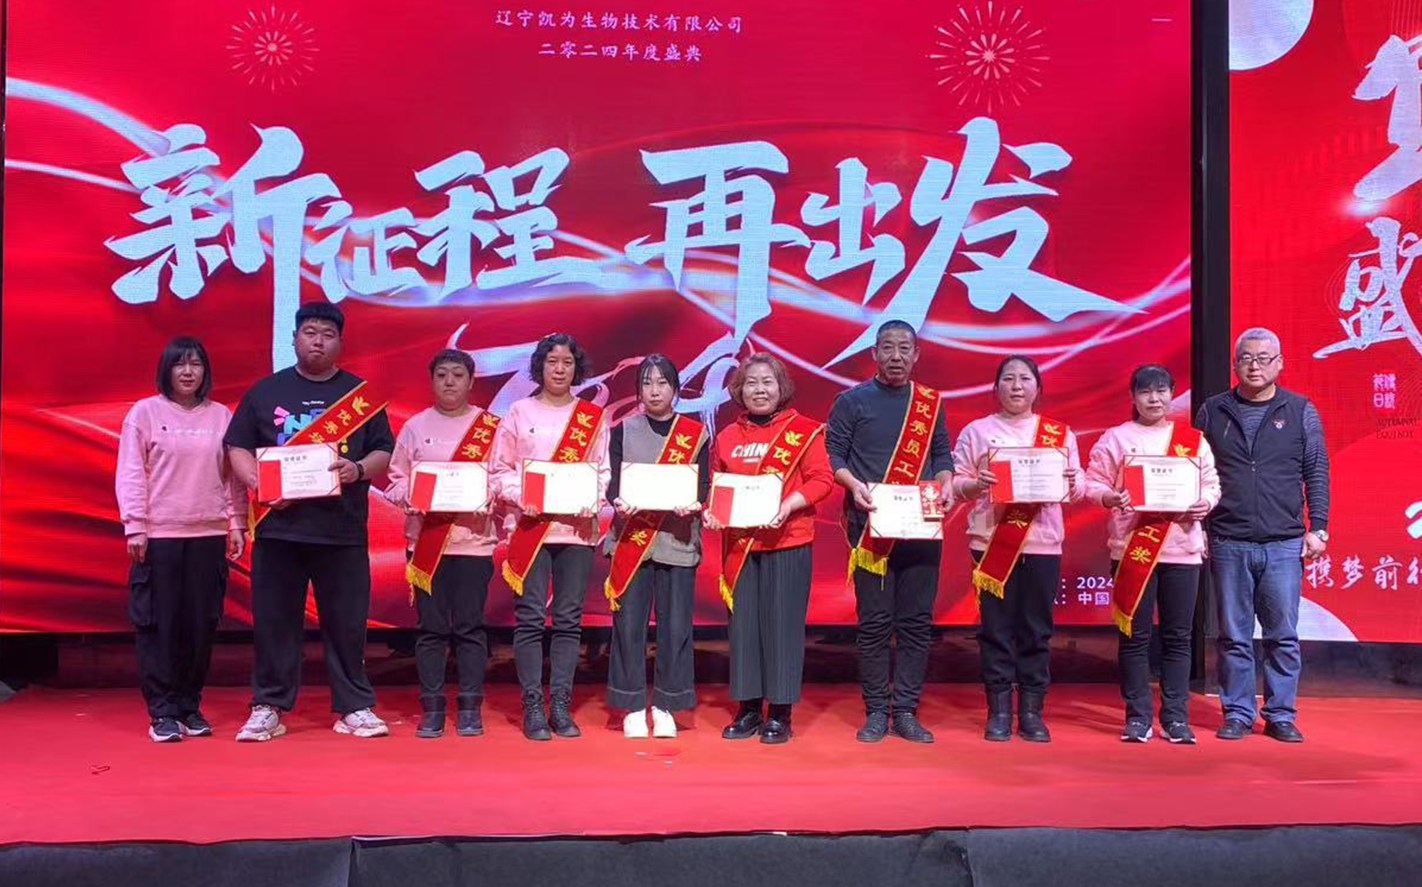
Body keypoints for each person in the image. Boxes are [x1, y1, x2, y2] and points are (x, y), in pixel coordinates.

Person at [224, 302, 395, 741]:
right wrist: (258, 482)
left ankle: (353, 706)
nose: (318, 341)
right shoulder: (266, 392)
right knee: (275, 622)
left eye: (327, 334)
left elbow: (383, 451)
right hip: (280, 529)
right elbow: (237, 446)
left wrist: (357, 469)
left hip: (342, 530)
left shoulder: (359, 396)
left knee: (347, 623)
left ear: (340, 342)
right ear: (295, 338)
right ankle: (268, 705)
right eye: (310, 332)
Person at [1195, 327, 1330, 743]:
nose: (1254, 366)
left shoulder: (1301, 410)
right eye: (1246, 359)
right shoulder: (1212, 411)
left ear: (1280, 363)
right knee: (1233, 636)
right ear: (1235, 365)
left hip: (1284, 542)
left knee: (1282, 636)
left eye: (1263, 358)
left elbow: (1316, 471)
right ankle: (1237, 712)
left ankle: (1280, 715)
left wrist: (1319, 526)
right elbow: (1196, 473)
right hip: (1228, 539)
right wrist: (1198, 528)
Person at [826, 320, 953, 744]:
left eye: (904, 348)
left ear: (916, 355)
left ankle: (907, 712)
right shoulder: (851, 401)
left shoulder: (930, 403)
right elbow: (834, 455)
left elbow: (941, 454)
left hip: (920, 525)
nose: (896, 356)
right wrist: (853, 486)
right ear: (874, 354)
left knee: (916, 622)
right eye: (887, 348)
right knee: (875, 623)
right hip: (871, 527)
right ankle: (877, 711)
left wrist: (946, 482)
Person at [115, 337, 246, 742]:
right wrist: (136, 525)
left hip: (209, 534)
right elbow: (132, 471)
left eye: (196, 364)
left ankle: (190, 706)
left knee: (200, 625)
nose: (188, 372)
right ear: (166, 370)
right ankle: (162, 712)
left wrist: (236, 522)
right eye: (180, 364)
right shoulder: (145, 413)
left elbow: (232, 476)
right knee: (159, 625)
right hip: (160, 536)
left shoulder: (221, 416)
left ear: (206, 371)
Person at [1085, 364, 1220, 744]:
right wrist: (1109, 497)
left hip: (1182, 550)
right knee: (1135, 636)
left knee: (1178, 637)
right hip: (1132, 549)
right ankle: (1138, 717)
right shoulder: (1116, 439)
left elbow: (1211, 484)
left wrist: (1205, 502)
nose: (1154, 398)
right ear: (1133, 396)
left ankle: (1176, 718)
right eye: (1145, 391)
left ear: (1172, 393)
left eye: (1161, 390)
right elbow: (1092, 482)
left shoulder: (1191, 441)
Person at [705, 353, 834, 744]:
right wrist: (712, 513)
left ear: (781, 388)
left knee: (781, 627)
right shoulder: (727, 436)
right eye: (751, 383)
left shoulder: (804, 431)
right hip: (741, 546)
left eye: (767, 382)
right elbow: (717, 486)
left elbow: (822, 479)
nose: (759, 390)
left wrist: (790, 503)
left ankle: (779, 713)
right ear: (739, 390)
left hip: (788, 540)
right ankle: (747, 709)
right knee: (744, 628)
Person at [952, 355, 1083, 742]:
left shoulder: (1059, 434)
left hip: (1043, 543)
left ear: (1037, 388)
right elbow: (956, 483)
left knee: (1036, 630)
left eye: (1024, 379)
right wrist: (977, 484)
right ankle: (998, 712)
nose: (1016, 386)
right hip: (991, 542)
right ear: (996, 388)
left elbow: (1076, 490)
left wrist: (1071, 481)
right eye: (1008, 379)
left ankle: (1031, 712)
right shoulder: (977, 431)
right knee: (995, 629)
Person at [491, 333, 610, 741]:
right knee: (529, 617)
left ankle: (560, 704)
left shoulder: (591, 417)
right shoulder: (518, 412)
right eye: (552, 361)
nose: (560, 369)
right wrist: (522, 496)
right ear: (539, 366)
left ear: (577, 369)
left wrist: (591, 497)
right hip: (530, 526)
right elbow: (500, 470)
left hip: (575, 530)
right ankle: (532, 706)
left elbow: (602, 471)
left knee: (568, 619)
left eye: (567, 362)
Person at [383, 349, 501, 739]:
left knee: (470, 626)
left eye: (457, 375)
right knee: (431, 628)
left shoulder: (490, 427)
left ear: (471, 381)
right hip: (426, 542)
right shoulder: (415, 426)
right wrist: (411, 495)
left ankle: (470, 706)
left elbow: (503, 477)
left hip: (473, 542)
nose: (449, 382)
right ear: (432, 380)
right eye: (442, 375)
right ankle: (432, 707)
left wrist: (489, 494)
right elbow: (395, 481)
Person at [603, 354, 710, 739]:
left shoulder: (695, 434)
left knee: (676, 627)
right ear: (638, 391)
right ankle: (632, 704)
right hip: (631, 540)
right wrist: (617, 500)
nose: (654, 390)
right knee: (628, 626)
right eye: (646, 383)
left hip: (677, 541)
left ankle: (666, 704)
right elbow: (613, 483)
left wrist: (695, 503)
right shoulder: (623, 430)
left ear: (676, 389)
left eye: (662, 382)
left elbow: (704, 486)